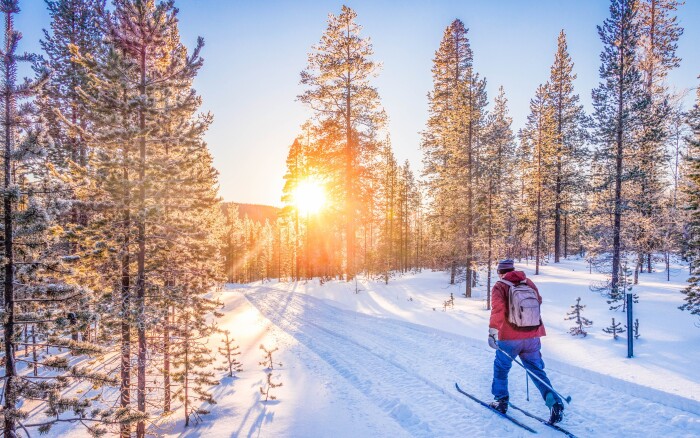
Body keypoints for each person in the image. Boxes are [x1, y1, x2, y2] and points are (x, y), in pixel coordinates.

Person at [487, 259, 564, 424]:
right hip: (532, 336)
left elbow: (498, 309)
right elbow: (539, 301)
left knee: (501, 369)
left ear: (500, 272)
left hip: (509, 337)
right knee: (537, 371)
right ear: (513, 269)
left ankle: (501, 401)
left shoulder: (500, 286)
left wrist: (493, 331)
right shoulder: (528, 282)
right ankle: (554, 403)